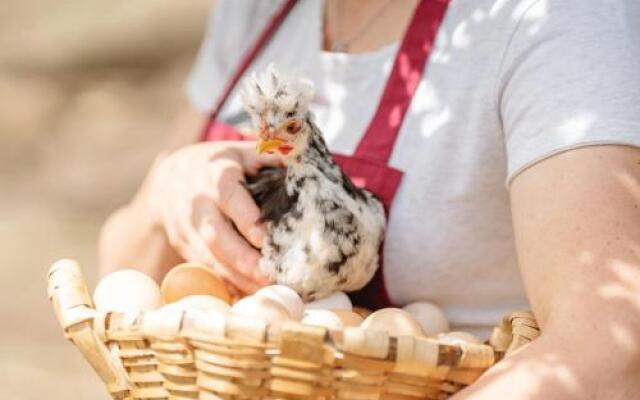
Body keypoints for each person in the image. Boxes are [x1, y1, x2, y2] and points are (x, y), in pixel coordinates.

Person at [99, 1, 640, 398]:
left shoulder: (556, 18)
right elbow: (120, 284)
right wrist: (165, 192)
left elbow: (611, 347)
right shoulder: (256, 10)